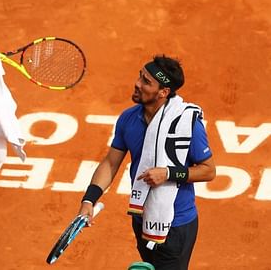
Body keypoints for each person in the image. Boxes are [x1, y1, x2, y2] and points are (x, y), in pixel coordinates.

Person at [78, 55, 216, 270]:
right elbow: (111, 163)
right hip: (142, 218)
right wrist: (89, 200)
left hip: (176, 224)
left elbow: (208, 171)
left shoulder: (188, 125)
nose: (137, 83)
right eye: (140, 76)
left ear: (163, 92)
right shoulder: (128, 118)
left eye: (146, 82)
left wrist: (168, 173)